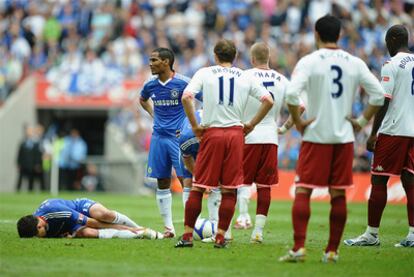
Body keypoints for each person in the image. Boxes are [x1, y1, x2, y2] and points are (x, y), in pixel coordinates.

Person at [279, 15, 385, 263]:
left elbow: (292, 95)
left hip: (316, 135)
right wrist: (360, 122)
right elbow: (378, 96)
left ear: (316, 34)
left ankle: (299, 248)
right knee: (338, 194)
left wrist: (299, 122)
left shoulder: (309, 61)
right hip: (344, 138)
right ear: (339, 35)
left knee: (303, 189)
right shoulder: (354, 62)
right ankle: (332, 251)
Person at [175, 39, 274, 248]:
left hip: (212, 132)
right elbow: (268, 100)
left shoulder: (205, 72)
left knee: (199, 187)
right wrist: (251, 125)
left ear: (215, 55)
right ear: (235, 57)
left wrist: (194, 125)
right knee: (230, 189)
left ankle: (187, 236)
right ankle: (221, 237)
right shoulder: (245, 76)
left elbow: (187, 97)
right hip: (235, 135)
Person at [344, 25, 414, 248]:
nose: (386, 45)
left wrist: (373, 132)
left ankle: (371, 234)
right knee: (410, 181)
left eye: (387, 40)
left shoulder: (391, 65)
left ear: (393, 39)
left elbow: (384, 99)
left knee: (378, 179)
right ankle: (413, 234)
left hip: (394, 130)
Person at [241, 42, 295, 243]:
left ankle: (242, 217)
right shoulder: (282, 79)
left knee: (242, 181)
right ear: (269, 57)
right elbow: (301, 107)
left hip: (247, 134)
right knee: (265, 186)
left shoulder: (244, 76)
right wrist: (284, 128)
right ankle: (258, 232)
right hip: (271, 137)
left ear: (252, 58)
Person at [139, 47, 188, 238]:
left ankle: (190, 226)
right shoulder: (150, 85)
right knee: (162, 181)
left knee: (186, 181)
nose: (150, 64)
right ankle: (169, 228)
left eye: (154, 60)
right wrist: (153, 113)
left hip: (178, 138)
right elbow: (142, 99)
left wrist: (191, 123)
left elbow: (201, 98)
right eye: (150, 60)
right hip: (158, 137)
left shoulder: (184, 83)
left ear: (166, 62)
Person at [17, 198, 163, 239]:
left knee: (105, 216)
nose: (39, 238)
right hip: (70, 225)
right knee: (88, 234)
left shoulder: (55, 211)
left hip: (79, 207)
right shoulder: (35, 223)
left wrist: (128, 228)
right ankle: (138, 234)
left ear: (39, 225)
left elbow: (93, 222)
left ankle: (137, 229)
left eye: (37, 235)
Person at [16, 125, 45, 191]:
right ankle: (17, 190)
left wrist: (37, 164)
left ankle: (31, 190)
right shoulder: (23, 143)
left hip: (32, 165)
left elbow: (37, 155)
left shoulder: (36, 143)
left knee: (32, 179)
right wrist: (18, 163)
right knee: (20, 179)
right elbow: (19, 154)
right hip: (24, 164)